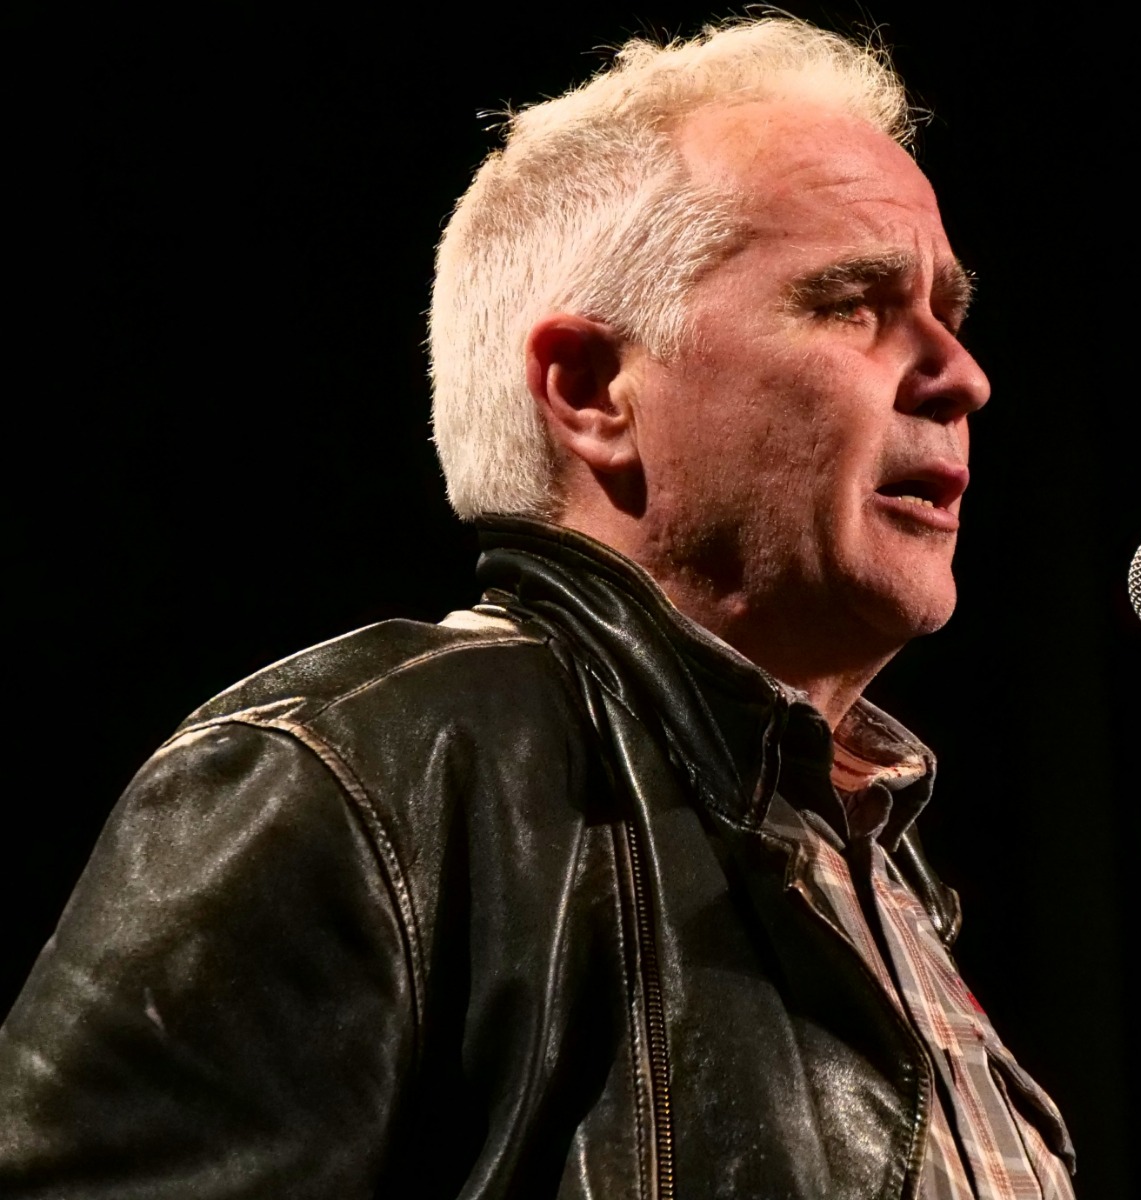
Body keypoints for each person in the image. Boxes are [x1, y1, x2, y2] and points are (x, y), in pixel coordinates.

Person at [0, 17, 1076, 1198]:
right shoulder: (358, 773)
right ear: (591, 390)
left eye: (947, 312)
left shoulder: (888, 879)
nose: (963, 375)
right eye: (852, 303)